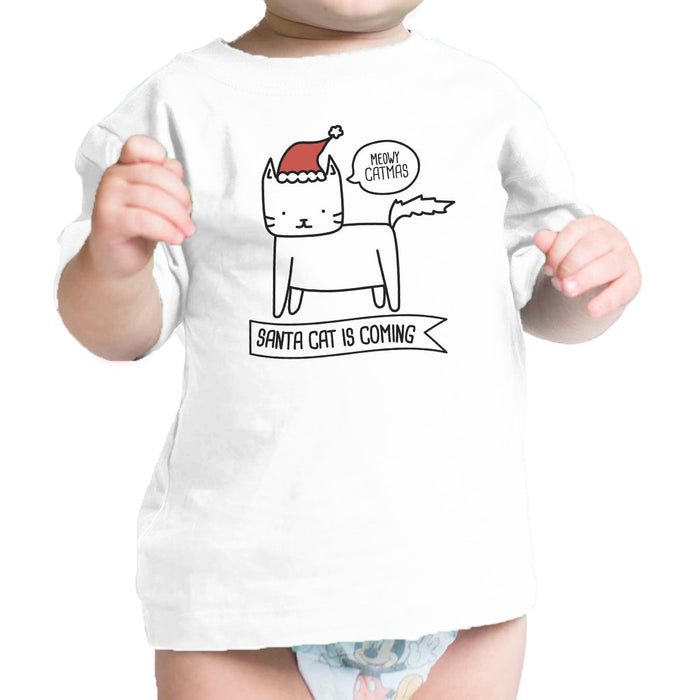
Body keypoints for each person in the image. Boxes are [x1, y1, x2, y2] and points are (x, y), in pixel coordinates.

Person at [54, 2, 641, 698]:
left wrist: (588, 284)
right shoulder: (174, 110)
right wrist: (113, 265)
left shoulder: (485, 103)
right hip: (239, 604)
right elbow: (117, 336)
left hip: (459, 584)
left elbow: (548, 303)